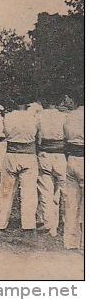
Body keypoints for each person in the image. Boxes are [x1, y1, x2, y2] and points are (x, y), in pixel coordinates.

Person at [0, 103, 40, 231]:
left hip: (11, 154)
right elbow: (38, 138)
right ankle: (28, 224)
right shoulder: (34, 117)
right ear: (28, 105)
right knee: (29, 191)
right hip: (28, 155)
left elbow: (6, 133)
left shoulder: (8, 116)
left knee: (6, 191)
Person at [36, 100, 67, 237]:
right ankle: (66, 220)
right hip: (60, 155)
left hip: (44, 154)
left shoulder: (39, 116)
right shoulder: (64, 116)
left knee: (45, 191)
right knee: (65, 190)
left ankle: (49, 224)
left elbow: (36, 137)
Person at [62, 100, 83, 250]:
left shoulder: (70, 116)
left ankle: (70, 241)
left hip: (71, 159)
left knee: (71, 203)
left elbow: (65, 138)